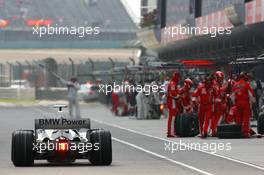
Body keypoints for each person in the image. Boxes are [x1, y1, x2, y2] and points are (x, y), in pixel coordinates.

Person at [231, 72, 255, 138]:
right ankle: (245, 133)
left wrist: (234, 104)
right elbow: (251, 94)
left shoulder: (235, 84)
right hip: (245, 104)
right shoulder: (247, 84)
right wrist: (253, 102)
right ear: (244, 77)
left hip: (238, 104)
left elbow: (232, 96)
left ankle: (239, 132)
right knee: (246, 119)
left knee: (239, 120)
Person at [211, 71, 227, 136]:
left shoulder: (220, 84)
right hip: (215, 104)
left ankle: (213, 130)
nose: (221, 79)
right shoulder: (214, 84)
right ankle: (214, 130)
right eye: (219, 78)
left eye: (221, 78)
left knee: (216, 117)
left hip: (218, 103)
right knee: (217, 117)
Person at [167, 72, 180, 137]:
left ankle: (171, 132)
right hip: (172, 102)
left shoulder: (174, 83)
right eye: (178, 77)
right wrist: (177, 96)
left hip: (172, 102)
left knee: (172, 117)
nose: (179, 78)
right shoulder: (172, 84)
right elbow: (172, 94)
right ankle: (171, 133)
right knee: (172, 118)